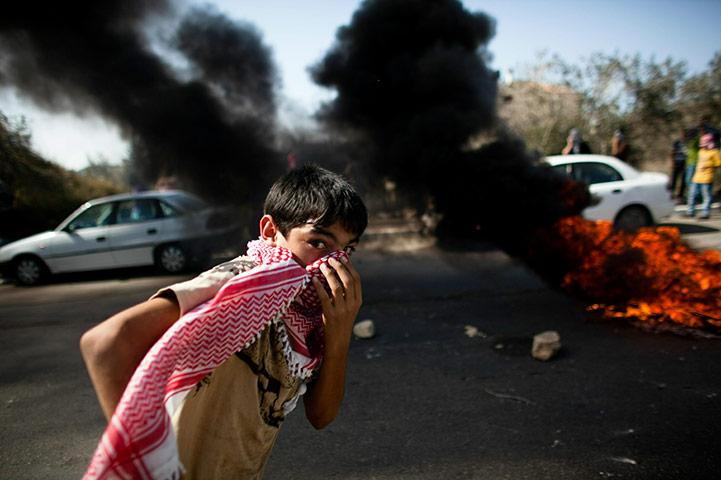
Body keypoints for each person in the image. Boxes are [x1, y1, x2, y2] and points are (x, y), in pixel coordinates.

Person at [80, 164, 368, 479]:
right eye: (319, 243)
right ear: (271, 232)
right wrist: (146, 466)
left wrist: (338, 333)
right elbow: (107, 342)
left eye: (347, 250)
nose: (335, 263)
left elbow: (321, 415)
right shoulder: (243, 283)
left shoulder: (307, 315)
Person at [686, 133, 721, 219]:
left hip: (707, 178)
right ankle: (690, 211)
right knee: (692, 194)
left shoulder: (714, 152)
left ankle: (705, 213)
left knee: (706, 196)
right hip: (697, 177)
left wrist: (708, 164)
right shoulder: (701, 151)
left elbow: (718, 163)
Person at [669, 128, 689, 202]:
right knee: (674, 179)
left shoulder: (688, 143)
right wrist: (672, 162)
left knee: (684, 179)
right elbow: (672, 153)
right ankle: (671, 193)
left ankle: (680, 194)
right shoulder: (677, 143)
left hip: (685, 162)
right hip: (677, 162)